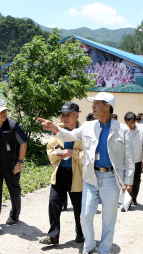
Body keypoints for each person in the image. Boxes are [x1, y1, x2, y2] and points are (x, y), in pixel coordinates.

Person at [38, 92, 134, 254]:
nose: (92, 107)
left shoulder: (122, 130)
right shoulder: (89, 126)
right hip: (91, 177)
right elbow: (70, 134)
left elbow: (129, 158)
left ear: (107, 106)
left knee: (108, 219)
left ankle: (104, 249)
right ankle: (89, 246)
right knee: (85, 215)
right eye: (93, 104)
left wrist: (128, 180)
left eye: (96, 103)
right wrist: (54, 128)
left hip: (111, 178)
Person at [40, 103, 84, 245]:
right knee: (53, 203)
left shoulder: (84, 132)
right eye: (63, 115)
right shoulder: (58, 131)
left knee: (79, 207)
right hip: (60, 174)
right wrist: (55, 155)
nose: (64, 118)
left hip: (76, 175)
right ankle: (53, 235)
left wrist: (73, 153)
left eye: (68, 115)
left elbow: (90, 155)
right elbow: (50, 148)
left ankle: (81, 233)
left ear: (77, 116)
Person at [0, 100, 28, 235]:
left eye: (5, 110)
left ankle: (14, 215)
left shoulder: (13, 125)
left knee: (14, 192)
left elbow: (23, 143)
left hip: (11, 166)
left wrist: (19, 162)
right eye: (0, 111)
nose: (4, 113)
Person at [124, 112, 143, 208]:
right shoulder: (123, 129)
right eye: (127, 123)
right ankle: (127, 202)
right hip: (125, 160)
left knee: (136, 181)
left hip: (137, 159)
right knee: (126, 181)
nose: (129, 125)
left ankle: (134, 197)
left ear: (135, 121)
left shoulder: (142, 129)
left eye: (131, 123)